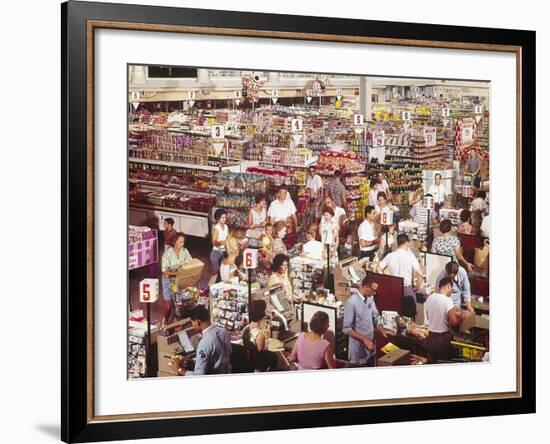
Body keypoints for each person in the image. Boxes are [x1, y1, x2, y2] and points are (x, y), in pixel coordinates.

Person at [342, 275, 390, 366]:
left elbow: (375, 317)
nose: (375, 293)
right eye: (373, 290)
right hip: (358, 351)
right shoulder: (351, 303)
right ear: (366, 287)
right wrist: (364, 340)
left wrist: (382, 330)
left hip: (370, 348)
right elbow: (346, 329)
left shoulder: (370, 299)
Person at [376, 233, 424, 318]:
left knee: (395, 316)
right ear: (407, 243)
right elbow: (420, 274)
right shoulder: (410, 257)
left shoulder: (390, 256)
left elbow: (378, 269)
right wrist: (417, 287)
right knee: (409, 318)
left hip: (393, 289)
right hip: (407, 290)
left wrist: (386, 280)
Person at [425, 277, 467, 363]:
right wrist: (462, 316)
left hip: (431, 337)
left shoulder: (430, 298)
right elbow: (454, 322)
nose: (452, 292)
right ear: (448, 287)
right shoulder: (447, 301)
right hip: (442, 339)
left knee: (431, 363)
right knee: (442, 363)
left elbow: (429, 316)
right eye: (452, 289)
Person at [183, 305, 232, 375]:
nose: (192, 326)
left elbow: (199, 375)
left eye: (192, 323)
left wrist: (181, 370)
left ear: (198, 322)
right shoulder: (224, 331)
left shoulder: (204, 344)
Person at [161, 232, 192, 326]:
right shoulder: (167, 254)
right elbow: (164, 271)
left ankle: (176, 319)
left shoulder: (184, 251)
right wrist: (176, 272)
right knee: (169, 304)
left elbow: (190, 262)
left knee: (180, 302)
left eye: (183, 242)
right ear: (174, 242)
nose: (182, 244)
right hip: (168, 280)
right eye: (180, 242)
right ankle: (165, 319)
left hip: (180, 279)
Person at [242, 300, 278, 371]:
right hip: (259, 369)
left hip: (249, 365)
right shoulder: (260, 335)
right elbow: (261, 355)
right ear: (262, 314)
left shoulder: (245, 329)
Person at [210, 209, 228, 274]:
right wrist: (222, 248)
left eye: (225, 217)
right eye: (223, 218)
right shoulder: (216, 229)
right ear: (218, 218)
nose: (225, 219)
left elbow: (227, 238)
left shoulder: (226, 226)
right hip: (216, 252)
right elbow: (214, 242)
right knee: (216, 271)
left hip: (223, 249)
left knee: (225, 267)